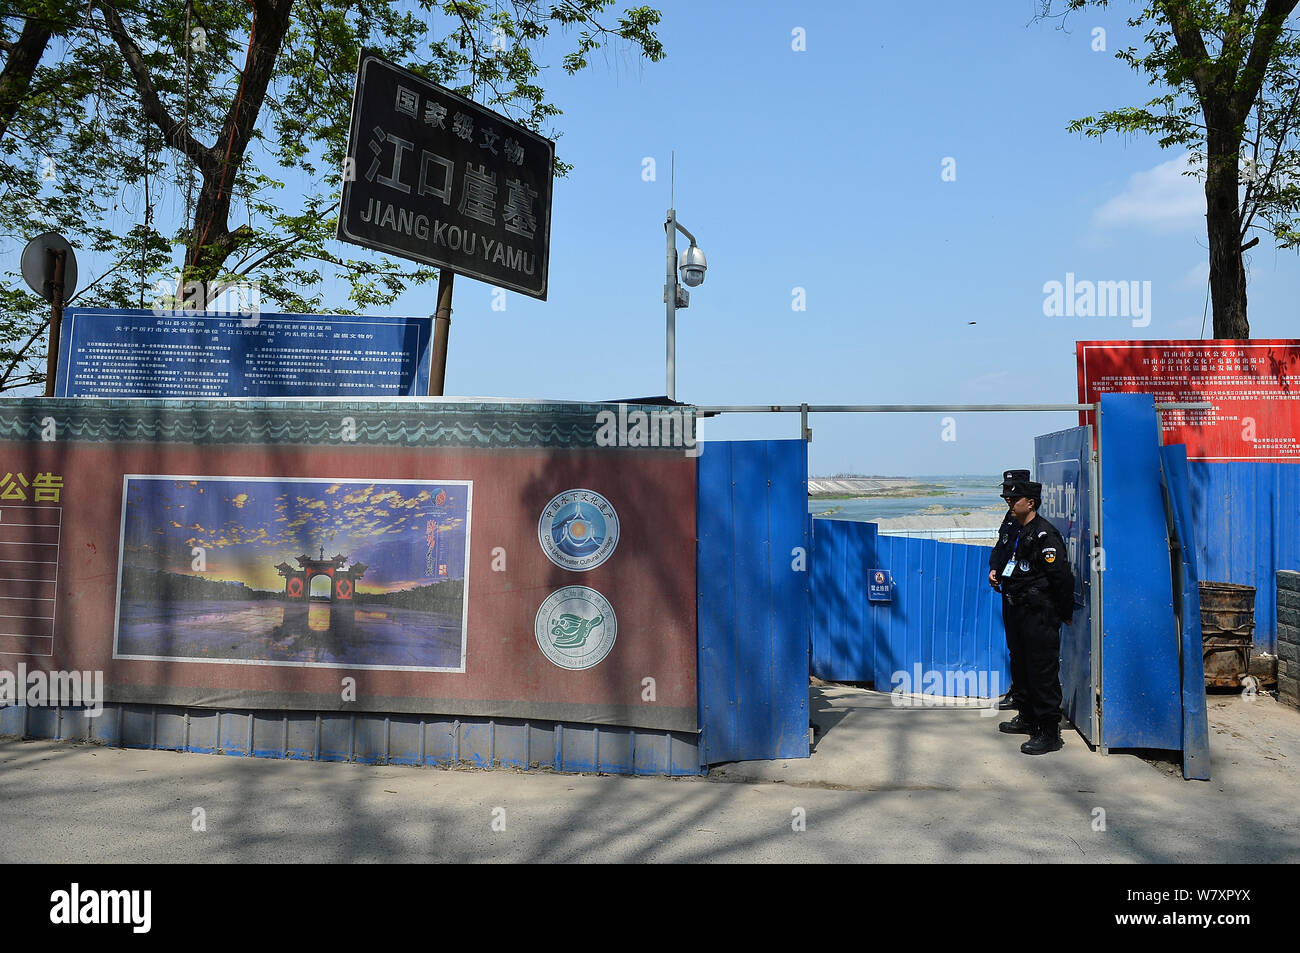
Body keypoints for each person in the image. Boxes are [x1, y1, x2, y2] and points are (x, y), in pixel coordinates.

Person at [992, 479, 1074, 755]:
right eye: (1008, 501)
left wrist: (1064, 612)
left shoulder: (1044, 535)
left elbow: (1061, 578)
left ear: (1031, 503)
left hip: (1040, 614)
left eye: (1014, 501)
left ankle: (1049, 731)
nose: (1010, 505)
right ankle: (1027, 717)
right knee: (1022, 666)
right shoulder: (1020, 531)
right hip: (1018, 611)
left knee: (1042, 671)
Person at [988, 468, 1030, 711]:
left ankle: (1025, 696)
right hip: (1009, 588)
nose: (1008, 500)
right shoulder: (1010, 516)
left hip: (1025, 592)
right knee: (1014, 645)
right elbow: (1001, 545)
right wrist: (994, 568)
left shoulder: (1030, 520)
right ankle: (1018, 690)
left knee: (1026, 648)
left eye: (1012, 496)